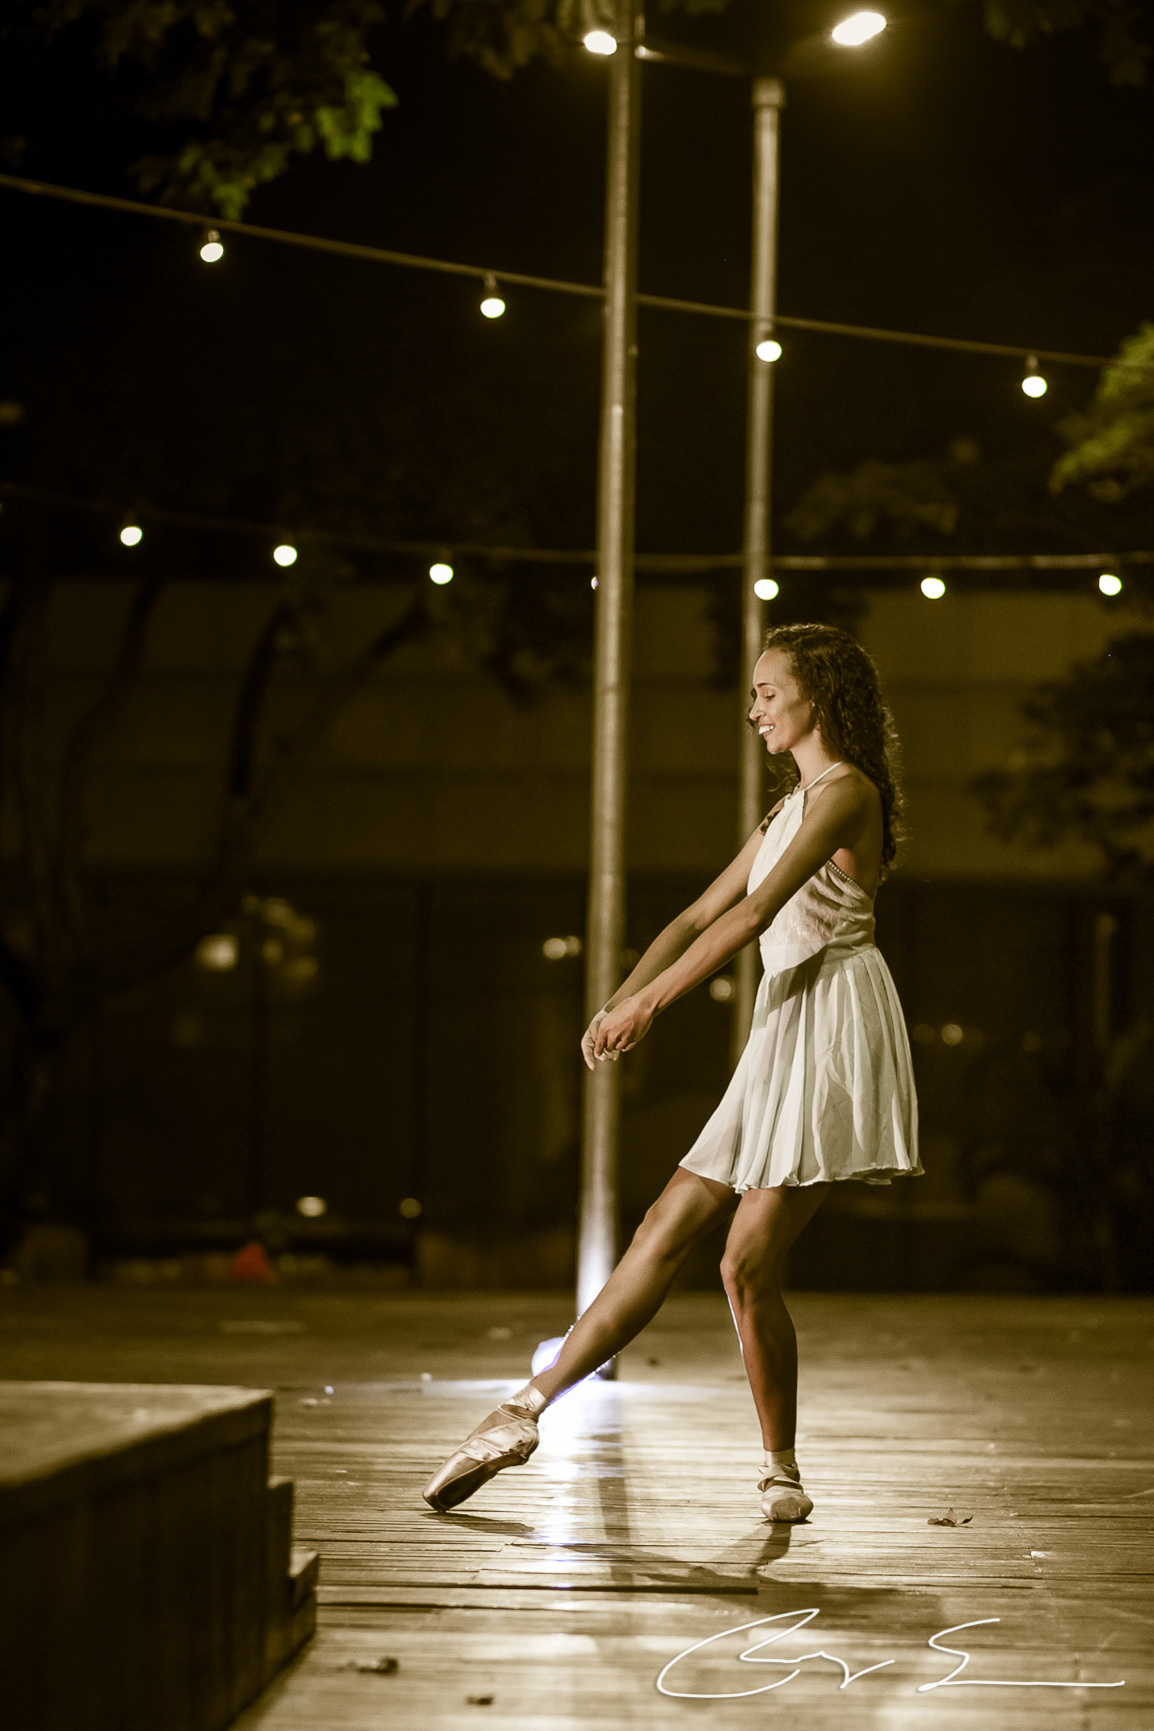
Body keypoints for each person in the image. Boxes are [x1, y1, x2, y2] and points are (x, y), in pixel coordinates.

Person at [423, 622, 921, 1523]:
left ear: (817, 695)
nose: (755, 708)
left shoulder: (846, 792)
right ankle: (524, 1408)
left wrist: (656, 1007)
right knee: (669, 1219)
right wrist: (620, 996)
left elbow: (762, 911)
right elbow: (698, 916)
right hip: (783, 1022)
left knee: (744, 1262)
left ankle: (782, 1470)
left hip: (835, 1021)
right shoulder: (786, 808)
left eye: (769, 691)